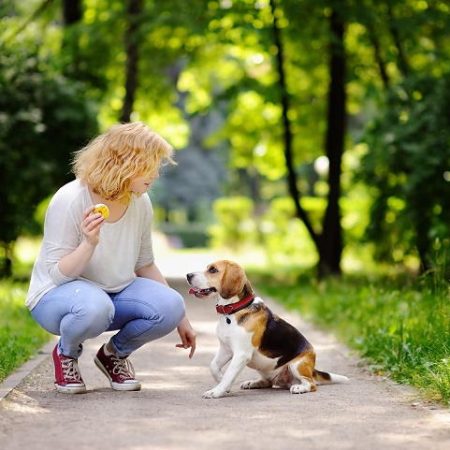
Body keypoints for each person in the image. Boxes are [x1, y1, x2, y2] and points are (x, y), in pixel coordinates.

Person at [26, 122, 196, 394]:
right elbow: (57, 275)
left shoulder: (140, 202)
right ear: (126, 162)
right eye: (150, 165)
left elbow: (145, 264)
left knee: (172, 305)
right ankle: (66, 354)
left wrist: (181, 319)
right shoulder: (71, 198)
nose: (154, 175)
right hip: (56, 297)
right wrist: (89, 244)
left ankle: (113, 354)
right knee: (96, 307)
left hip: (113, 294)